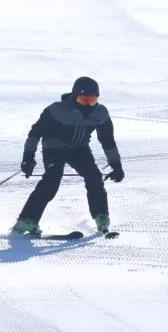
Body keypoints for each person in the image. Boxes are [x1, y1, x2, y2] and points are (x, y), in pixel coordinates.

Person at [13, 76, 124, 234]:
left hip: (79, 148)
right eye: (82, 100)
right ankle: (27, 220)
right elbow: (35, 133)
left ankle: (101, 217)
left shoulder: (100, 114)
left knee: (94, 176)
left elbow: (108, 141)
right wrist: (28, 158)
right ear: (73, 97)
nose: (87, 105)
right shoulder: (57, 110)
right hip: (54, 147)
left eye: (91, 101)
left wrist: (116, 166)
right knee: (52, 179)